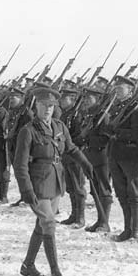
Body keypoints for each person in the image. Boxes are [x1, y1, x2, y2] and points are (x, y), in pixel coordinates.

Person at [13, 86, 93, 276]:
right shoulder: (28, 131)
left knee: (42, 223)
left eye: (51, 105)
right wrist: (26, 191)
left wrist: (87, 165)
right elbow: (20, 164)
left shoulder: (59, 126)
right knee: (49, 223)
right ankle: (55, 274)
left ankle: (28, 265)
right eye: (43, 105)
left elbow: (71, 148)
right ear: (36, 106)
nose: (47, 109)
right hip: (37, 184)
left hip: (56, 182)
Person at [104, 76, 138, 243]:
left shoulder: (135, 108)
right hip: (115, 154)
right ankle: (127, 229)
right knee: (121, 192)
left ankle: (135, 231)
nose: (117, 90)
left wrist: (117, 132)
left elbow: (137, 134)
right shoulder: (116, 107)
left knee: (134, 193)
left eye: (121, 88)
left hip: (130, 155)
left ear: (130, 90)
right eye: (116, 88)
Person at [75, 86, 113, 232]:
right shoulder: (90, 115)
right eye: (85, 98)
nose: (85, 101)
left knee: (104, 190)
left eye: (89, 98)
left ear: (97, 100)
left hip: (102, 157)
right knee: (95, 190)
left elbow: (105, 139)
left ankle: (105, 222)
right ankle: (100, 220)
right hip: (90, 157)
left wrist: (88, 139)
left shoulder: (103, 116)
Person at [59, 87, 87, 228]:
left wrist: (67, 142)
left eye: (64, 99)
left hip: (75, 155)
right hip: (66, 155)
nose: (61, 101)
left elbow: (80, 136)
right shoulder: (65, 115)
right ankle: (74, 214)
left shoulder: (78, 115)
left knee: (78, 187)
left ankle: (80, 217)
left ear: (72, 100)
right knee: (70, 187)